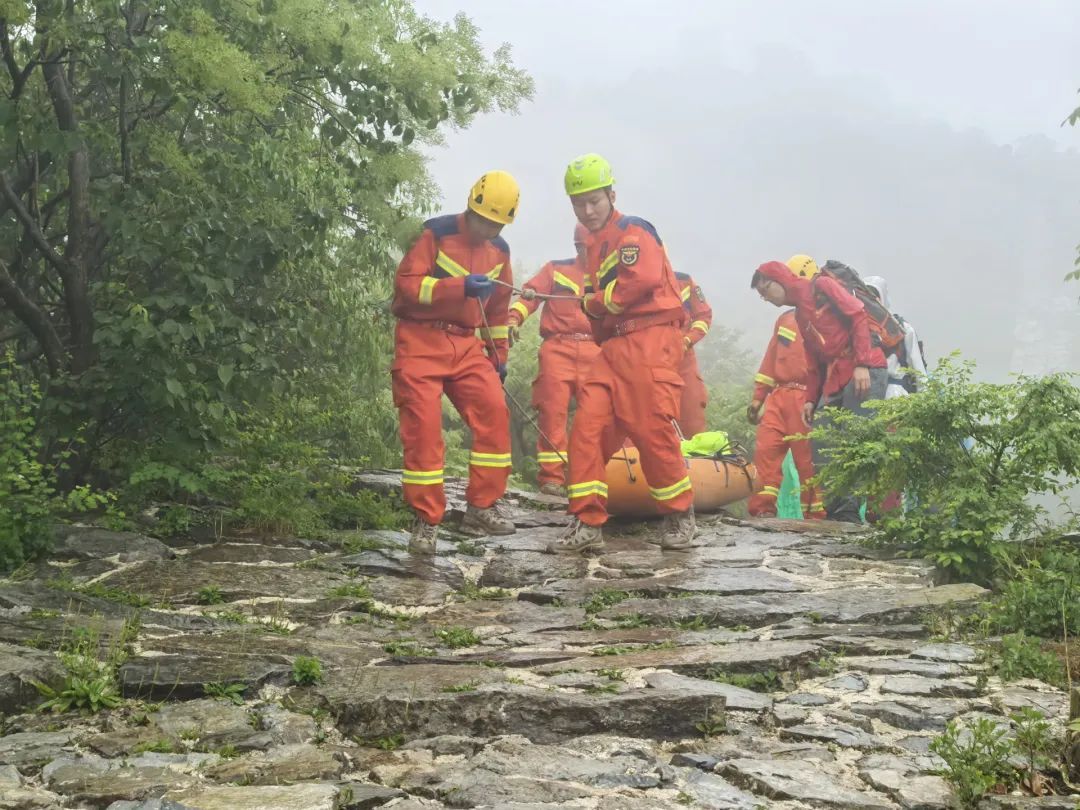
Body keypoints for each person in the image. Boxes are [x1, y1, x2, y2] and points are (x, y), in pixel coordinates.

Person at [551, 153, 695, 554]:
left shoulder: (633, 231)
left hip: (650, 342)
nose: (587, 209)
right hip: (614, 349)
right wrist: (596, 309)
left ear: (612, 194)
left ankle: (680, 516)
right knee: (587, 430)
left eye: (594, 200)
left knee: (652, 430)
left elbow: (641, 281)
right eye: (579, 203)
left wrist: (595, 303)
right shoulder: (595, 249)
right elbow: (601, 309)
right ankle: (587, 523)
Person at [391, 170, 520, 554]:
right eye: (485, 221)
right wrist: (457, 287)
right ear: (471, 206)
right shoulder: (436, 233)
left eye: (498, 224)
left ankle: (481, 506)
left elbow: (497, 311)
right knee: (424, 431)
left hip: (466, 345)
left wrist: (499, 358)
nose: (489, 230)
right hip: (420, 339)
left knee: (495, 413)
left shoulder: (501, 251)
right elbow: (407, 285)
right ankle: (426, 520)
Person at [750, 255, 888, 523]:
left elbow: (858, 314)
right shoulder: (801, 314)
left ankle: (850, 516)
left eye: (765, 290)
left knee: (853, 439)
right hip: (835, 377)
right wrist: (812, 399)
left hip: (864, 370)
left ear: (779, 281)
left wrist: (861, 363)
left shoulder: (822, 286)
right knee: (822, 442)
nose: (766, 298)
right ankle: (837, 513)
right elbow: (814, 360)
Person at [507, 225, 602, 496]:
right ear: (577, 246)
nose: (587, 252)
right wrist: (514, 319)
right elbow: (528, 296)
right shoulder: (556, 270)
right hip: (557, 348)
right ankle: (552, 479)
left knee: (597, 415)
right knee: (552, 411)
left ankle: (595, 478)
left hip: (596, 349)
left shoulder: (608, 276)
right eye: (582, 247)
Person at [746, 308, 826, 519]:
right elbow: (770, 360)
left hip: (806, 396)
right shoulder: (785, 318)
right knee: (765, 452)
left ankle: (816, 516)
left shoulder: (825, 316)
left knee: (807, 461)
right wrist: (758, 399)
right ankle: (762, 510)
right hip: (778, 396)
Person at [863, 275, 928, 399]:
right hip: (865, 396)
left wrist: (926, 407)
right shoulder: (856, 330)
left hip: (895, 395)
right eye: (866, 295)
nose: (871, 300)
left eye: (874, 294)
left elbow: (919, 373)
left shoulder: (903, 329)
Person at [674, 272, 713, 438]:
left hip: (684, 360)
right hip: (647, 360)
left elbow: (703, 316)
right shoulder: (629, 282)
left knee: (692, 422)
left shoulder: (683, 281)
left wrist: (687, 340)